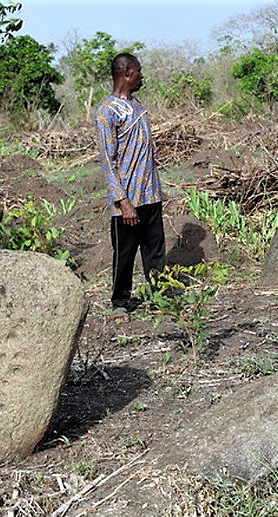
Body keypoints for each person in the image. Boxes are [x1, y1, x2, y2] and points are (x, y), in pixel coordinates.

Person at [95, 52, 166, 318]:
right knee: (124, 255)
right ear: (125, 73)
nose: (141, 76)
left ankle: (162, 297)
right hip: (128, 201)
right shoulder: (107, 112)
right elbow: (107, 160)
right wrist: (123, 202)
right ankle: (120, 303)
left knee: (156, 251)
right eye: (138, 71)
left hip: (150, 194)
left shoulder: (138, 108)